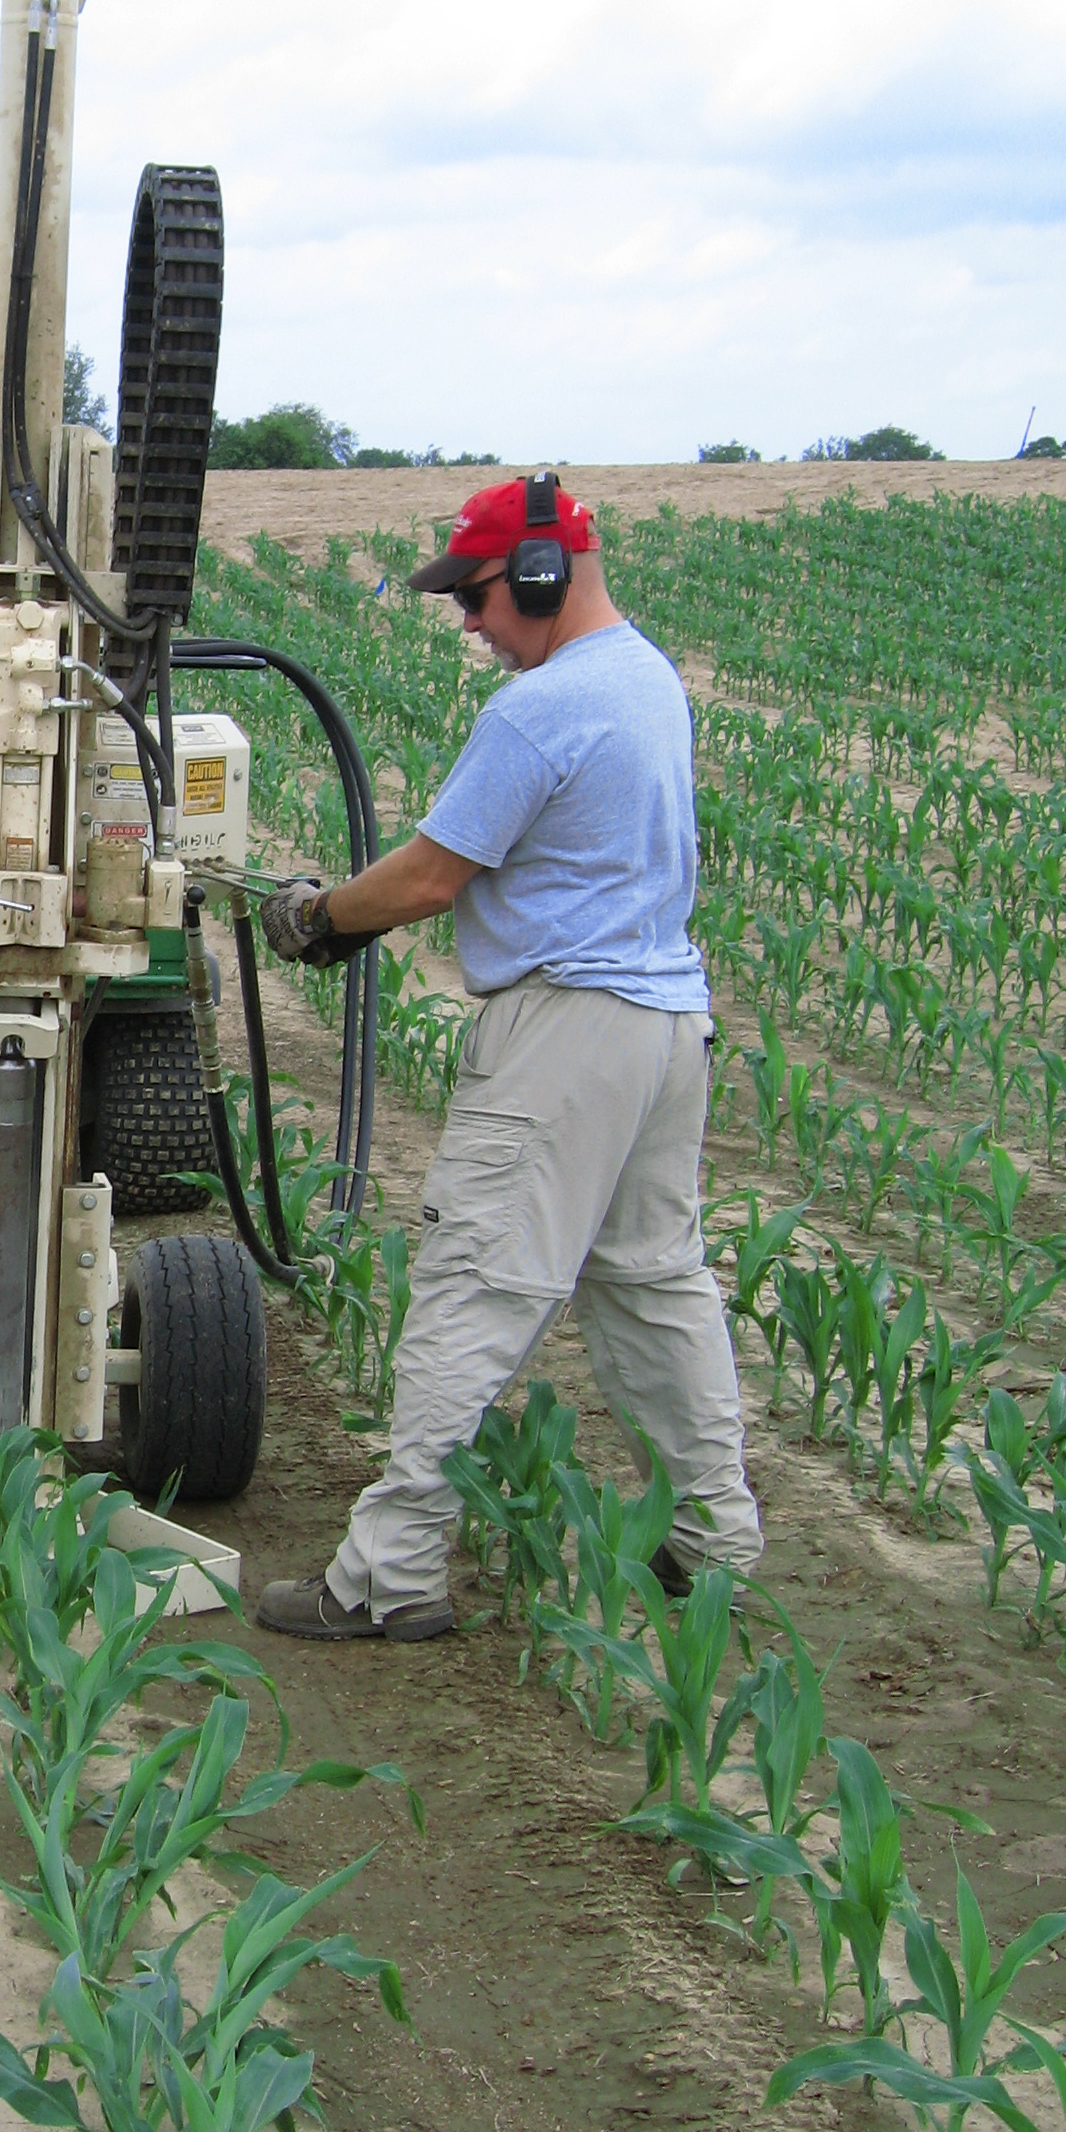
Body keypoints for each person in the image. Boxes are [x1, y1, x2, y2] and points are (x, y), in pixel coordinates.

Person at [251, 472, 762, 1643]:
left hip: (566, 1035)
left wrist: (320, 916)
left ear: (540, 573)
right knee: (654, 1283)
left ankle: (390, 1578)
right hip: (663, 1025)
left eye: (476, 597)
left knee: (474, 1286)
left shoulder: (542, 709)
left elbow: (434, 873)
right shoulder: (647, 676)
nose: (467, 622)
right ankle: (714, 1538)